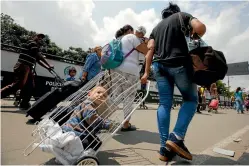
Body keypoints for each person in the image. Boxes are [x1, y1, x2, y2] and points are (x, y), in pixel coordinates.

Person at [141, 2, 206, 161]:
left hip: (160, 67)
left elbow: (150, 50)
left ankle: (164, 149)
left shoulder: (156, 28)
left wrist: (146, 72)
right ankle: (176, 136)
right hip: (180, 65)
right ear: (176, 12)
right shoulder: (182, 16)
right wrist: (195, 37)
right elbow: (200, 27)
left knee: (164, 104)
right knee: (190, 100)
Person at [110, 24, 148, 131]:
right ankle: (126, 124)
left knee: (115, 96)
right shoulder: (133, 38)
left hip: (117, 69)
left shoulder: (122, 38)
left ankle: (99, 119)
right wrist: (146, 42)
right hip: (130, 72)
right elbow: (146, 51)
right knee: (129, 98)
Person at [1, 34, 53, 109]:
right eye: (39, 37)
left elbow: (38, 60)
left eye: (41, 38)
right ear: (34, 37)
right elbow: (38, 55)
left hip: (27, 68)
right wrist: (48, 64)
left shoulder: (35, 49)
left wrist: (47, 67)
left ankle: (24, 103)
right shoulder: (31, 43)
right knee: (17, 85)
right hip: (23, 67)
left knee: (30, 86)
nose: (40, 39)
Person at [62, 86, 112, 150]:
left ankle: (70, 150)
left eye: (104, 96)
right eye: (98, 92)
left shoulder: (92, 106)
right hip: (73, 132)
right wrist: (107, 124)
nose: (101, 95)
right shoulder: (87, 104)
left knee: (97, 143)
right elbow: (92, 118)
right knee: (92, 144)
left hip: (77, 131)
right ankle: (71, 152)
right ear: (89, 94)